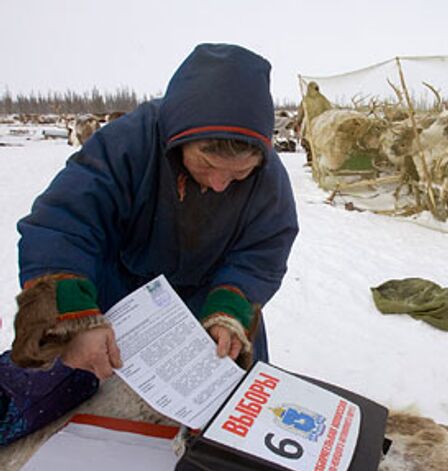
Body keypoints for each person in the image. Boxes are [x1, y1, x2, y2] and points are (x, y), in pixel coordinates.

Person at [0, 43, 299, 445]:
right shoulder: (128, 142)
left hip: (208, 298)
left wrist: (229, 311)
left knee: (228, 419)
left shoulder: (268, 174)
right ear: (179, 139)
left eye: (239, 174)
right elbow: (64, 225)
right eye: (207, 166)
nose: (218, 184)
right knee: (86, 401)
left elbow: (263, 251)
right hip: (119, 293)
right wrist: (75, 319)